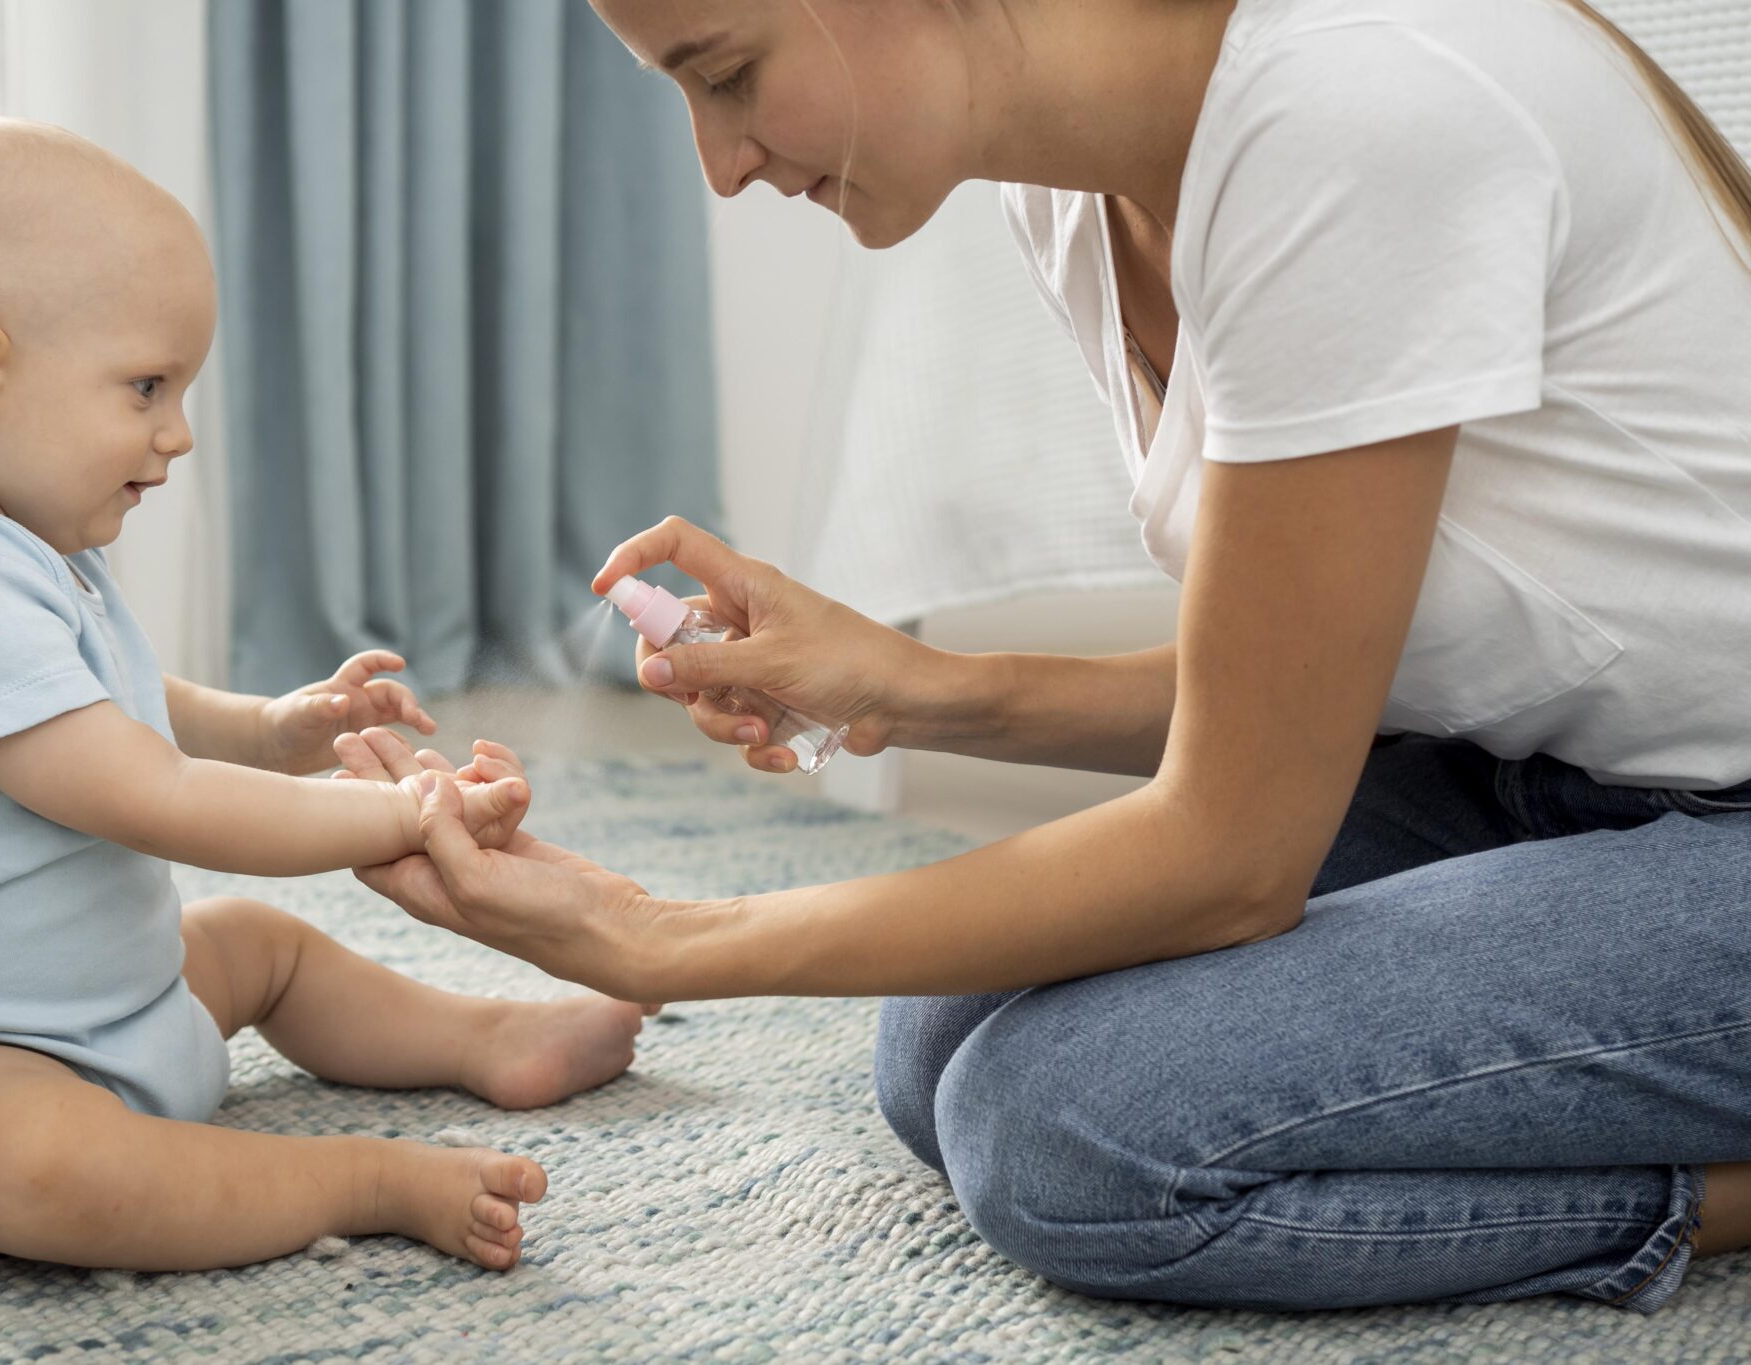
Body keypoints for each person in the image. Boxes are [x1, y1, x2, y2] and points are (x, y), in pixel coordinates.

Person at [350, 0, 1751, 1312]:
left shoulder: (1352, 113)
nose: (719, 166)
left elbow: (1232, 854)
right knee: (938, 1043)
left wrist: (659, 935)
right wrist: (912, 687)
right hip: (1540, 775)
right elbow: (1293, 684)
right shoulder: (1075, 194)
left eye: (725, 73)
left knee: (1068, 1136)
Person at [0, 117, 651, 1275]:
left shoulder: (31, 548)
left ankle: (481, 1034)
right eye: (147, 387)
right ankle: (362, 1180)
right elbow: (151, 794)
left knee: (258, 948)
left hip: (128, 1001)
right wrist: (400, 814)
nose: (179, 434)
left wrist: (273, 728)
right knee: (42, 1171)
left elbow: (120, 704)